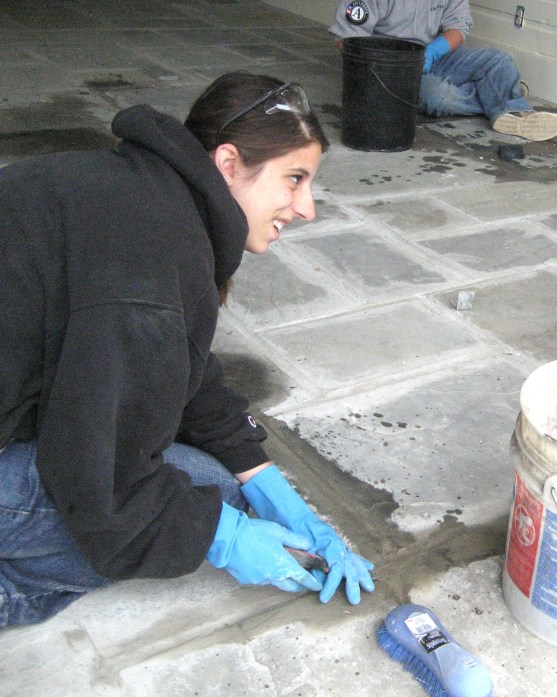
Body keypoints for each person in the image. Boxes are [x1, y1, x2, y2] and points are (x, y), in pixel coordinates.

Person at [0, 72, 375, 628]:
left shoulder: (143, 192)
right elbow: (102, 481)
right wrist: (222, 536)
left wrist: (260, 474)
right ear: (228, 164)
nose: (307, 207)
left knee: (216, 486)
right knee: (189, 504)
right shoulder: (146, 260)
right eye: (294, 179)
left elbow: (174, 365)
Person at [329, 0, 557, 141]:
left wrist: (433, 51)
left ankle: (516, 114)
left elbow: (459, 26)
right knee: (437, 96)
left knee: (498, 61)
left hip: (431, 55)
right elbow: (346, 38)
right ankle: (497, 96)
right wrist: (387, 66)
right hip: (390, 68)